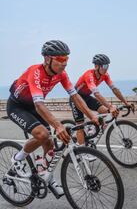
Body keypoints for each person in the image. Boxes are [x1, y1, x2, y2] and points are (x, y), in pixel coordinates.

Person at [7, 40, 99, 196]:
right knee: (43, 134)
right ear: (47, 59)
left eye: (67, 59)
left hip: (34, 106)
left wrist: (93, 116)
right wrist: (58, 125)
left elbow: (75, 96)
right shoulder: (35, 71)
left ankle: (45, 176)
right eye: (61, 59)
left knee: (49, 142)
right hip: (17, 107)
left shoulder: (61, 75)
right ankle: (17, 159)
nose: (65, 63)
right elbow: (39, 104)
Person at [70, 54, 134, 151]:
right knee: (80, 126)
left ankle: (92, 128)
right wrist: (111, 106)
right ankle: (82, 152)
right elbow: (96, 94)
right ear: (96, 66)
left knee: (105, 111)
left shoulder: (105, 76)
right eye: (104, 66)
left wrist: (126, 103)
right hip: (76, 99)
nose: (106, 68)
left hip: (86, 97)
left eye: (107, 66)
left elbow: (114, 89)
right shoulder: (89, 75)